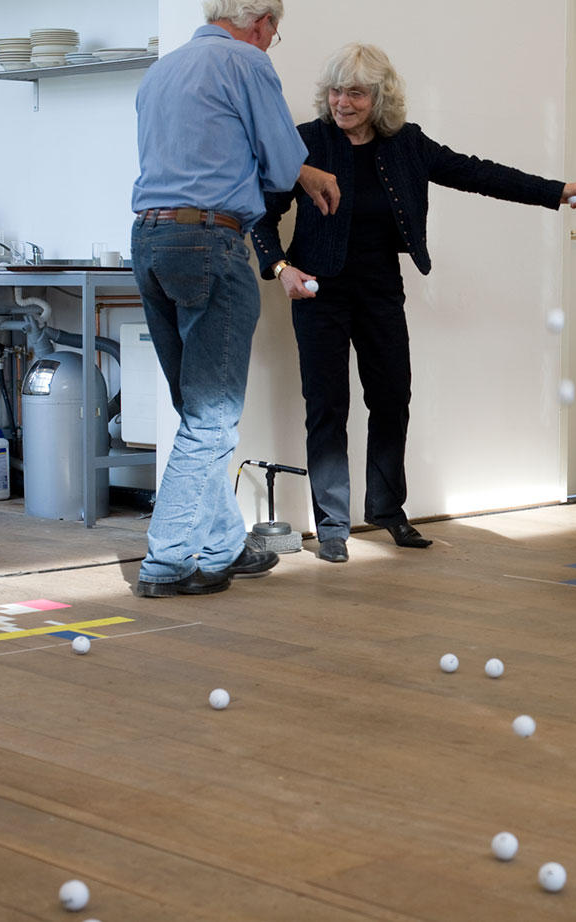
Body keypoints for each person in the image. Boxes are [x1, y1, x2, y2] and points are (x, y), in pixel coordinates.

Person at [251, 43, 576, 564]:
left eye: (356, 93)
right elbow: (261, 212)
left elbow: (476, 173)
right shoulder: (307, 143)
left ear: (380, 96)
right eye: (336, 91)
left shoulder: (406, 144)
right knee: (327, 406)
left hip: (381, 289)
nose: (342, 102)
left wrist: (555, 190)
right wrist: (281, 268)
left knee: (392, 397)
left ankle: (387, 509)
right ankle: (332, 526)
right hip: (320, 293)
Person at [130, 0, 339, 597]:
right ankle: (167, 561)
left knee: (196, 410)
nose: (272, 40)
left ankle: (223, 545)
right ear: (261, 21)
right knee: (211, 418)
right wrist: (306, 172)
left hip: (148, 239)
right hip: (209, 241)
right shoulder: (247, 62)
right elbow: (280, 166)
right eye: (275, 30)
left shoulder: (161, 71)